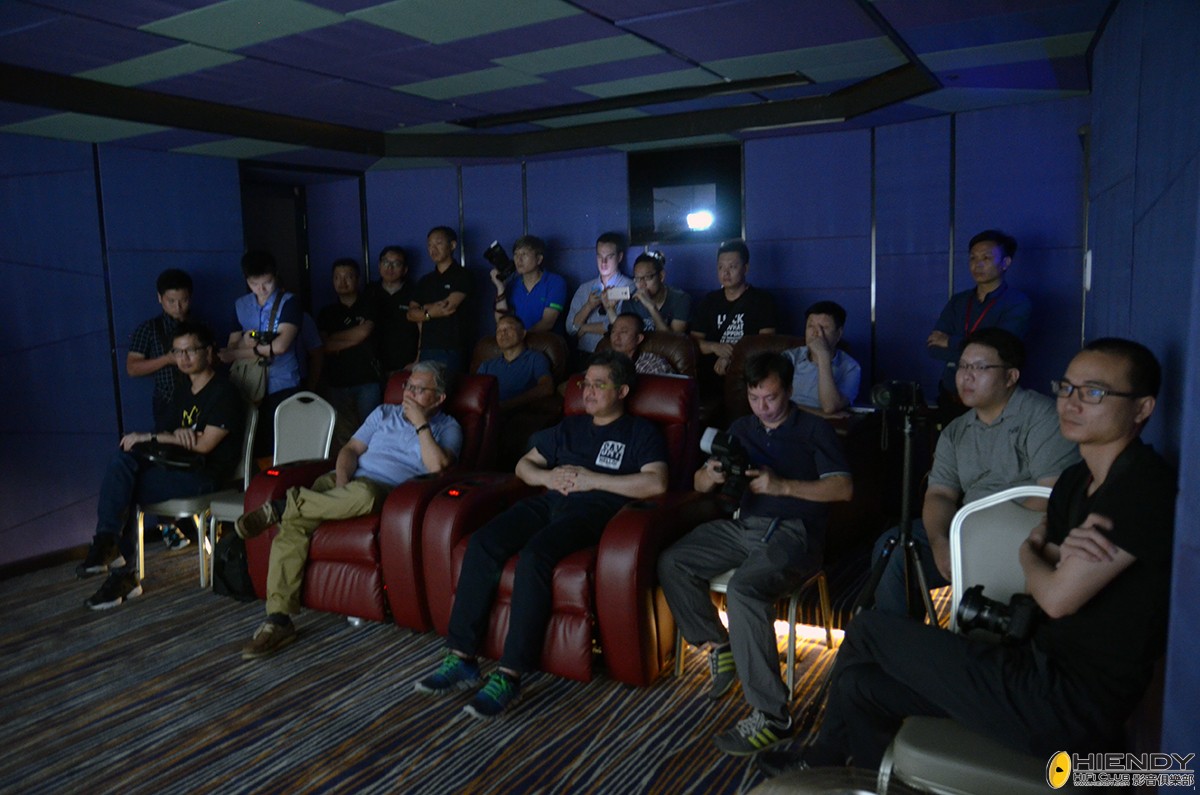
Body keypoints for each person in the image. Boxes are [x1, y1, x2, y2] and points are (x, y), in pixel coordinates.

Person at [760, 337, 1175, 775]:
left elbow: (1055, 596)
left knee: (868, 630)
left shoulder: (1142, 486)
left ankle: (820, 760)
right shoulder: (1076, 481)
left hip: (1067, 705)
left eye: (1094, 392)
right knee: (862, 685)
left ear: (1142, 408)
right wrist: (1036, 555)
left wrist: (1032, 552)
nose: (1072, 403)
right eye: (1067, 387)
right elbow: (1038, 572)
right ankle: (868, 777)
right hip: (1029, 661)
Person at [415, 351, 668, 718]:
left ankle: (510, 674)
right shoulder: (570, 427)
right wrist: (548, 477)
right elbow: (524, 465)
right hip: (549, 500)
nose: (588, 392)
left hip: (594, 510)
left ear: (623, 391)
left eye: (599, 385)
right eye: (585, 384)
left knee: (535, 556)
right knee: (483, 543)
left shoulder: (640, 432)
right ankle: (461, 657)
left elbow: (656, 482)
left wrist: (592, 480)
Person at [658, 351, 852, 755]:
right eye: (754, 397)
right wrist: (709, 475)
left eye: (771, 397)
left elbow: (843, 489)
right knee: (674, 561)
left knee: (744, 591)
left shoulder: (814, 429)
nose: (762, 407)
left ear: (789, 390)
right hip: (743, 526)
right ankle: (721, 645)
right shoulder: (741, 428)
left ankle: (773, 716)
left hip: (794, 534)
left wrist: (783, 486)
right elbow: (698, 483)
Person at [235, 361, 462, 660]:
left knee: (363, 495)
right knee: (295, 524)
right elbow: (350, 450)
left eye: (419, 389)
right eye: (408, 386)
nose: (408, 394)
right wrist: (342, 483)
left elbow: (437, 467)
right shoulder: (383, 413)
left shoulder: (448, 428)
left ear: (439, 398)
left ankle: (284, 506)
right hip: (344, 481)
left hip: (384, 491)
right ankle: (278, 620)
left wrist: (421, 424)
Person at [869, 327, 1079, 616]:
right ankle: (899, 639)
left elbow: (1050, 493)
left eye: (979, 368)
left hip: (1024, 535)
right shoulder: (956, 431)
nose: (966, 376)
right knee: (896, 548)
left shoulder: (1042, 417)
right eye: (962, 366)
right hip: (966, 531)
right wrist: (940, 542)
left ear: (1010, 376)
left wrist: (979, 534)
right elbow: (940, 494)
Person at [77, 322, 244, 609]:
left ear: (208, 352)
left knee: (126, 488)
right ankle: (108, 544)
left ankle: (121, 569)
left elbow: (204, 445)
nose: (183, 358)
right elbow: (166, 434)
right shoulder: (182, 390)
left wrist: (158, 437)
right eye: (177, 352)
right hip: (176, 466)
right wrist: (174, 435)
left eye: (190, 350)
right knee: (122, 461)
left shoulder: (224, 391)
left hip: (204, 474)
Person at [927, 229, 1032, 408]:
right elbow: (933, 348)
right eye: (973, 258)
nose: (978, 264)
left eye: (986, 258)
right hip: (951, 396)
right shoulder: (959, 301)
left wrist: (950, 343)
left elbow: (1000, 350)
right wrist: (981, 359)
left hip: (993, 400)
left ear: (1005, 263)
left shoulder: (1017, 303)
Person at [219, 250, 302, 457]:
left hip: (282, 382)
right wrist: (244, 342)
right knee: (253, 445)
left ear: (276, 275)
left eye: (267, 282)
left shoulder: (289, 302)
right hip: (249, 384)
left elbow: (281, 347)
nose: (261, 289)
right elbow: (230, 346)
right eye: (254, 284)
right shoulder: (241, 305)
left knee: (283, 444)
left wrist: (241, 352)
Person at [690, 239, 776, 380]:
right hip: (710, 372)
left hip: (748, 372)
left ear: (745, 268)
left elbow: (766, 342)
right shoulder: (709, 300)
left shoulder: (762, 300)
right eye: (721, 267)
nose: (726, 272)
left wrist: (732, 356)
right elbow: (693, 342)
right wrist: (714, 347)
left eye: (732, 267)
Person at [318, 257, 381, 433]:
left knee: (371, 431)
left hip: (367, 380)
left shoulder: (370, 305)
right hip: (337, 382)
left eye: (348, 276)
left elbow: (364, 332)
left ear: (358, 279)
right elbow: (324, 346)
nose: (342, 282)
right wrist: (355, 338)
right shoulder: (327, 312)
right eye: (337, 277)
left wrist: (335, 338)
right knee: (342, 433)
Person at [126, 268, 193, 434]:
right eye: (171, 301)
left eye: (183, 300)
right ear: (159, 298)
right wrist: (167, 359)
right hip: (166, 400)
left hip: (199, 396)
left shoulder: (200, 326)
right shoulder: (149, 329)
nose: (178, 307)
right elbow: (132, 368)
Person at [566, 233, 635, 369]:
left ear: (619, 257)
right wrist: (589, 306)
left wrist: (585, 328)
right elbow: (570, 328)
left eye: (609, 257)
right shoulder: (585, 288)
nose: (603, 262)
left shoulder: (629, 287)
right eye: (599, 256)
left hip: (614, 355)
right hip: (583, 354)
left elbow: (619, 326)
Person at [408, 226, 472, 373]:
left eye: (438, 243)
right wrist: (428, 313)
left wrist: (423, 309)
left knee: (446, 386)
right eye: (429, 245)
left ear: (452, 245)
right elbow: (410, 314)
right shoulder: (425, 280)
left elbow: (447, 307)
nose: (433, 249)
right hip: (427, 348)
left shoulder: (463, 275)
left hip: (452, 348)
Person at [781, 301, 861, 416]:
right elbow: (775, 403)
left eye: (824, 327)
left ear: (838, 334)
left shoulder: (851, 368)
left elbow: (830, 407)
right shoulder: (790, 357)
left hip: (820, 426)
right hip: (786, 420)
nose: (815, 333)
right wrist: (821, 414)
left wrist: (823, 357)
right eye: (811, 326)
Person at [490, 235, 567, 334]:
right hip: (517, 340)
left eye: (524, 254)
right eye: (516, 254)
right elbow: (501, 321)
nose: (519, 259)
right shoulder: (512, 285)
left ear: (539, 259)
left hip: (545, 340)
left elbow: (547, 322)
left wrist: (521, 337)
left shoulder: (555, 283)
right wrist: (500, 288)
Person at [477, 315, 554, 410]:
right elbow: (474, 393)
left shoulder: (535, 359)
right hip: (488, 413)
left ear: (523, 333)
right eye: (499, 330)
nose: (503, 333)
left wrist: (509, 404)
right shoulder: (486, 366)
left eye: (509, 328)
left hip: (521, 414)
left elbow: (547, 387)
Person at [365, 245, 418, 378]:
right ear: (379, 266)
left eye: (396, 264)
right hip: (373, 368)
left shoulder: (415, 292)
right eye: (385, 262)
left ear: (405, 269)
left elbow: (424, 328)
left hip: (407, 365)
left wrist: (418, 359)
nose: (389, 267)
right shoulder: (369, 292)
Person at [619, 251, 691, 334]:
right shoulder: (631, 301)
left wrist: (651, 307)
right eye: (637, 279)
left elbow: (673, 340)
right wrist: (610, 310)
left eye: (647, 277)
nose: (642, 284)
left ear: (661, 276)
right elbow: (623, 334)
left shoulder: (681, 299)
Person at [608, 311, 674, 375]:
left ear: (639, 338)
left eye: (623, 332)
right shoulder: (606, 360)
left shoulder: (652, 365)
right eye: (613, 331)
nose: (616, 337)